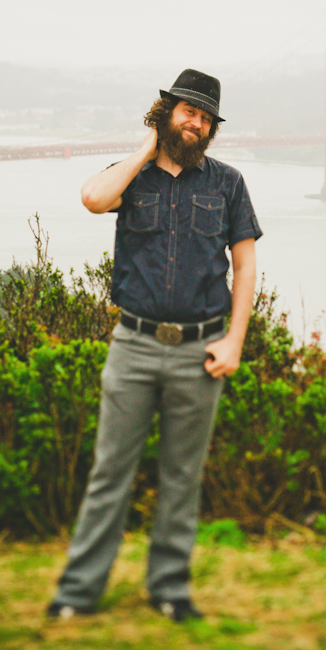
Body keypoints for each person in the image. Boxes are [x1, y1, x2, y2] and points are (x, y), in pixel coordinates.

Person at [47, 69, 262, 622]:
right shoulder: (133, 180)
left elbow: (245, 267)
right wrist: (147, 147)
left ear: (213, 129)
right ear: (166, 112)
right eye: (187, 110)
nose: (196, 122)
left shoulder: (227, 183)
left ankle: (168, 589)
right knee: (109, 473)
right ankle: (78, 593)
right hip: (134, 345)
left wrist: (234, 340)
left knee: (181, 477)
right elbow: (93, 198)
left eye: (205, 117)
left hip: (201, 349)